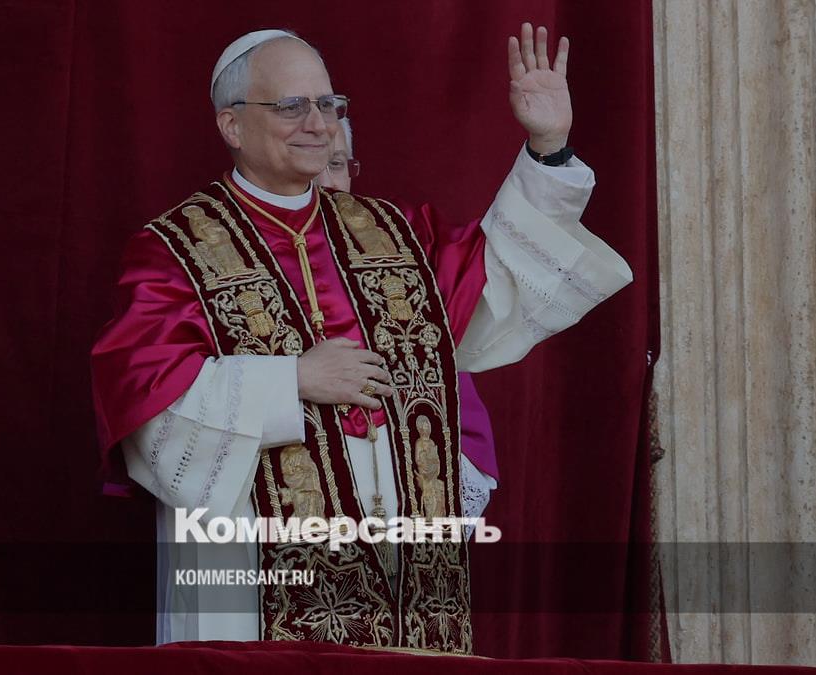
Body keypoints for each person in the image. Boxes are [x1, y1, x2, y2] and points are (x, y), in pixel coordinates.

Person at [90, 24, 631, 652]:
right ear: (232, 125)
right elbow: (148, 405)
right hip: (252, 569)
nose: (317, 124)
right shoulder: (175, 249)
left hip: (403, 571)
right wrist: (291, 380)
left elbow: (501, 276)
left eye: (328, 104)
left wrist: (548, 148)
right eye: (291, 106)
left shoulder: (394, 231)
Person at [315, 119, 500, 534]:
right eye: (312, 164)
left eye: (338, 164)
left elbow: (496, 269)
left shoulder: (401, 242)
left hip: (408, 486)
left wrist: (547, 150)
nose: (327, 183)